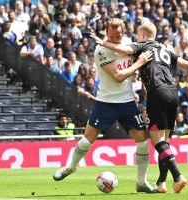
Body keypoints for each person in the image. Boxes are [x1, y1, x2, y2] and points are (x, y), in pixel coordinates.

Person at [91, 21, 188, 193]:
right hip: (173, 93)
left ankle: (177, 176)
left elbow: (123, 50)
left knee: (156, 140)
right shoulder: (165, 49)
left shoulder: (141, 45)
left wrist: (103, 43)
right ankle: (161, 182)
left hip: (157, 93)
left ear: (143, 35)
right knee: (165, 140)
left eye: (137, 35)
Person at [53, 18, 157, 194]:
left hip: (127, 103)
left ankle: (141, 182)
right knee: (87, 140)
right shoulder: (101, 50)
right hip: (106, 102)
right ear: (106, 33)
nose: (114, 39)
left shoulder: (128, 44)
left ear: (123, 33)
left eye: (117, 36)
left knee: (142, 142)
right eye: (111, 36)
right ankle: (70, 167)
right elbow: (118, 76)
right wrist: (139, 63)